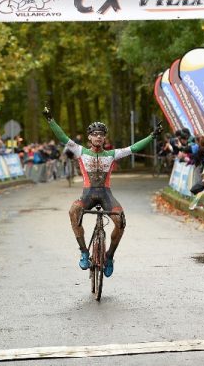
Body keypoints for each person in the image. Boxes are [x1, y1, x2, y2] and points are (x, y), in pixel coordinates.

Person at [43, 106, 161, 278]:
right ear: (89, 137)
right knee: (73, 211)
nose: (98, 137)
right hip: (87, 195)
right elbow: (62, 137)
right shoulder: (79, 151)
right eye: (95, 134)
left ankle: (110, 257)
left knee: (120, 222)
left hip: (106, 195)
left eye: (101, 134)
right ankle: (84, 252)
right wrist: (50, 120)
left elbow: (133, 148)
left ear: (104, 138)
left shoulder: (113, 154)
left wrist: (152, 136)